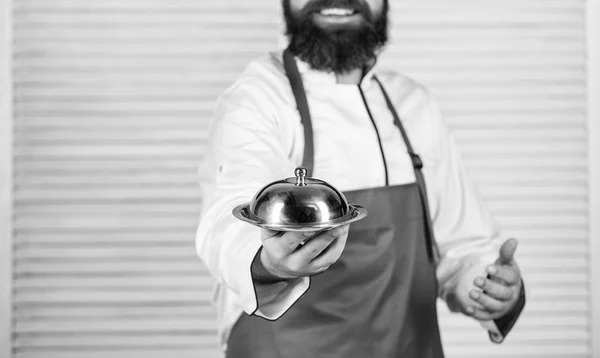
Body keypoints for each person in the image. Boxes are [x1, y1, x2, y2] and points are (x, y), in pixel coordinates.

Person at [196, 0, 526, 356]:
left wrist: (483, 286)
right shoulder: (256, 100)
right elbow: (228, 217)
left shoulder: (414, 105)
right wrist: (268, 262)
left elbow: (465, 246)